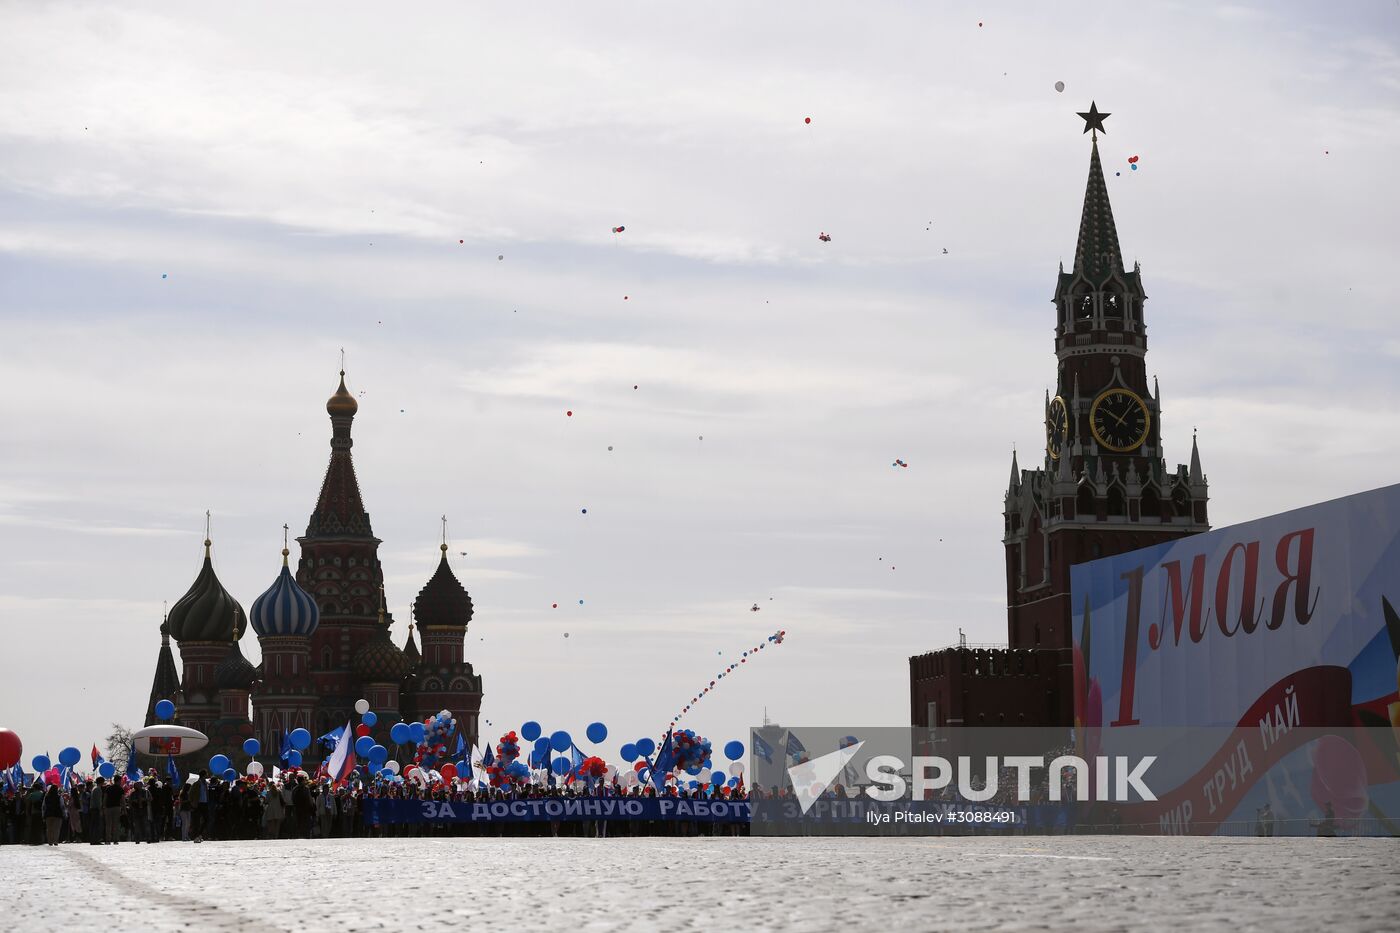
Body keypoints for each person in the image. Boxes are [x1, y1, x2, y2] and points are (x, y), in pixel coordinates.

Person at [103, 776, 124, 843]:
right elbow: (122, 800)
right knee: (116, 824)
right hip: (117, 807)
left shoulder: (108, 788)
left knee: (108, 824)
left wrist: (104, 806)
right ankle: (115, 839)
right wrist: (124, 809)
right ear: (118, 781)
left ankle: (108, 840)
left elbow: (105, 798)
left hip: (108, 807)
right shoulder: (120, 789)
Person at [89, 777, 107, 844]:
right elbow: (99, 801)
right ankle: (96, 839)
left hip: (92, 808)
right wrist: (100, 809)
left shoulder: (94, 788)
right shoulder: (98, 789)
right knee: (97, 825)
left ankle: (92, 839)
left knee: (93, 825)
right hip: (96, 809)